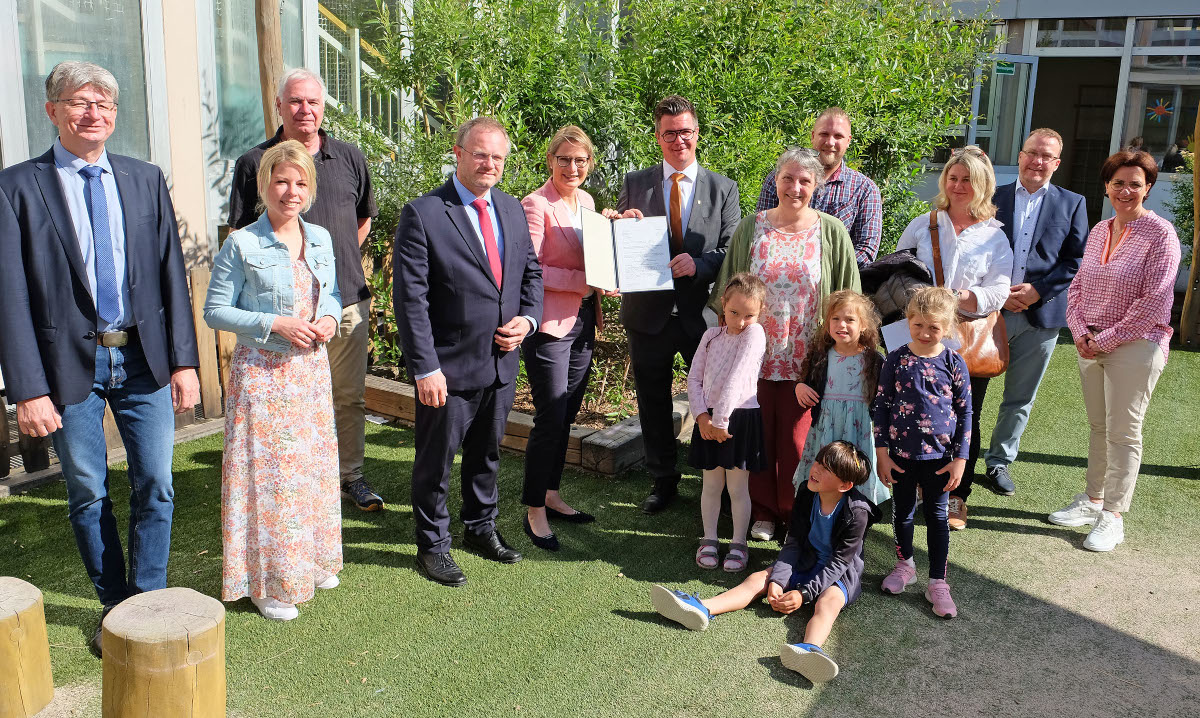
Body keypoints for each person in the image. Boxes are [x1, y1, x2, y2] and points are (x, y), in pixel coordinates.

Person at [0, 62, 200, 655]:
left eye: (105, 104)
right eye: (80, 102)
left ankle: (149, 601)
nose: (94, 113)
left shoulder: (143, 179)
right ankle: (115, 607)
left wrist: (184, 363)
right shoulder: (17, 187)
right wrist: (27, 389)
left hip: (142, 362)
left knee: (158, 483)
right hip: (69, 369)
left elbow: (171, 276)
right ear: (52, 111)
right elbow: (9, 295)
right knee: (87, 489)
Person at [394, 116, 543, 586]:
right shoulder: (424, 213)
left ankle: (480, 526)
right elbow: (410, 299)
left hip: (501, 361)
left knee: (487, 454)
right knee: (436, 461)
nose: (490, 164)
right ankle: (434, 544)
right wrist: (426, 368)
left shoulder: (512, 209)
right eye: (480, 154)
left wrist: (529, 319)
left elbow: (530, 274)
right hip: (448, 367)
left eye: (498, 157)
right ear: (458, 153)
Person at [228, 68, 384, 513]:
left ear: (323, 106)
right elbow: (241, 236)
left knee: (348, 396)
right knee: (288, 404)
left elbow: (363, 218)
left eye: (313, 102)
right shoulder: (253, 163)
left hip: (344, 304)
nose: (305, 110)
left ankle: (350, 475)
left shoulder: (350, 157)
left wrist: (323, 273)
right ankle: (298, 479)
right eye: (295, 101)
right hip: (282, 316)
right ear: (279, 106)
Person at [204, 140, 343, 621]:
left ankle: (313, 559)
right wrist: (274, 324)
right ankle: (267, 582)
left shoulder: (320, 238)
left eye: (301, 182)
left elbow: (333, 295)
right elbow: (214, 310)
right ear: (264, 184)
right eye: (281, 181)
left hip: (310, 373)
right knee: (270, 479)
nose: (291, 191)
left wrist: (328, 319)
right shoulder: (241, 243)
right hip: (263, 376)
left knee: (313, 467)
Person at [711, 148, 860, 541]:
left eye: (805, 181)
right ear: (775, 180)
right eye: (787, 178)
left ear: (817, 185)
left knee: (797, 440)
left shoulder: (831, 232)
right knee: (756, 436)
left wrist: (841, 350)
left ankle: (795, 512)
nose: (795, 187)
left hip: (805, 361)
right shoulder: (752, 228)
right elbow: (728, 291)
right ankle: (762, 512)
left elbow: (849, 298)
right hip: (752, 356)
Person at [649, 441, 879, 683]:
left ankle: (810, 650)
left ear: (845, 485)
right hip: (805, 561)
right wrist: (778, 580)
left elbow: (840, 562)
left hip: (839, 574)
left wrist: (803, 594)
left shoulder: (858, 513)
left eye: (826, 469)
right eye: (818, 462)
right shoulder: (806, 491)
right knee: (758, 578)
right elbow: (794, 542)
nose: (816, 470)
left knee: (828, 603)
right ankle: (702, 607)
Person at [616, 95, 741, 515]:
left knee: (712, 396)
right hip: (646, 314)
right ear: (658, 136)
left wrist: (700, 263)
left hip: (701, 315)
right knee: (652, 401)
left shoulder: (723, 188)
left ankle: (715, 480)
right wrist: (622, 227)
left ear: (697, 133)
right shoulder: (636, 184)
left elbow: (730, 250)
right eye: (669, 133)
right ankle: (662, 479)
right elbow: (619, 247)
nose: (678, 140)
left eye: (685, 131)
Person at [1050, 150, 1180, 553]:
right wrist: (1079, 331)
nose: (1126, 191)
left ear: (1148, 188)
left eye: (1135, 184)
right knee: (1100, 428)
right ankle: (1092, 501)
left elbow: (1154, 300)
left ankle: (1113, 516)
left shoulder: (1161, 235)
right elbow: (1078, 287)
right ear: (1107, 186)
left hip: (1137, 345)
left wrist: (1104, 340)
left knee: (1124, 432)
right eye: (1118, 183)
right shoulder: (1100, 230)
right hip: (1090, 340)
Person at [520, 125, 630, 551]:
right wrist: (584, 279)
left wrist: (617, 236)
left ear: (589, 164)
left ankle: (551, 493)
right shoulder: (535, 204)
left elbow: (597, 254)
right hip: (548, 325)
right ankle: (533, 508)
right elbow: (529, 268)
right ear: (550, 160)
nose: (572, 167)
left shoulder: (586, 202)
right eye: (564, 159)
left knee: (567, 413)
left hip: (584, 321)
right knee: (550, 415)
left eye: (580, 160)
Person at [895, 145, 1013, 531]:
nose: (958, 185)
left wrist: (963, 297)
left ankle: (955, 496)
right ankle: (911, 488)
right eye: (953, 177)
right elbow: (897, 273)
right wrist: (922, 297)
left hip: (966, 341)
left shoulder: (994, 237)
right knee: (913, 410)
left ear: (982, 185)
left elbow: (1000, 289)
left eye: (967, 179)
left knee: (966, 416)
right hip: (920, 338)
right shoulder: (924, 223)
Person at [982, 129, 1089, 498]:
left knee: (1019, 398)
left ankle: (998, 462)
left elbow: (1076, 259)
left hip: (1039, 317)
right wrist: (998, 294)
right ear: (1020, 154)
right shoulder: (991, 197)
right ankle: (954, 457)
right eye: (1032, 153)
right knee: (969, 391)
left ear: (1056, 164)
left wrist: (1036, 291)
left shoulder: (1072, 203)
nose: (1038, 161)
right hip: (987, 314)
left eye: (1047, 157)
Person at [873, 288, 972, 619]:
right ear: (908, 321)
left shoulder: (953, 362)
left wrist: (960, 459)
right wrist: (882, 452)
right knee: (901, 514)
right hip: (900, 457)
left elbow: (966, 413)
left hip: (941, 461)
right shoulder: (896, 358)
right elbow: (882, 405)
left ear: (947, 327)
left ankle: (938, 582)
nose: (926, 333)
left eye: (934, 328)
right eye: (918, 326)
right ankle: (905, 565)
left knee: (938, 518)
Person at [687, 273, 768, 572]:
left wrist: (721, 420)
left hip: (740, 418)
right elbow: (694, 378)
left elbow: (736, 377)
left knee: (736, 488)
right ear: (723, 304)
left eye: (750, 314)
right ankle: (709, 539)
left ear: (760, 313)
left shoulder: (754, 334)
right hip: (709, 419)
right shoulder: (710, 336)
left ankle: (738, 543)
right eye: (734, 313)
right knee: (710, 484)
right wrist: (701, 417)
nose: (741, 321)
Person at [754, 108, 883, 267]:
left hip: (837, 284)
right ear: (813, 136)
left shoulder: (865, 189)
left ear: (848, 141)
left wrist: (820, 270)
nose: (830, 142)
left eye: (838, 136)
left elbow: (866, 251)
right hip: (778, 273)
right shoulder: (781, 179)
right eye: (824, 134)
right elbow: (760, 231)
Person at [793, 290, 887, 505]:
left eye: (849, 320)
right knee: (824, 472)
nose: (841, 325)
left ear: (863, 325)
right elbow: (804, 381)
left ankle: (855, 516)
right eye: (835, 319)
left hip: (859, 429)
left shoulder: (873, 359)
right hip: (826, 427)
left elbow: (884, 398)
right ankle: (818, 514)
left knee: (853, 472)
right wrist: (799, 388)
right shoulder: (821, 355)